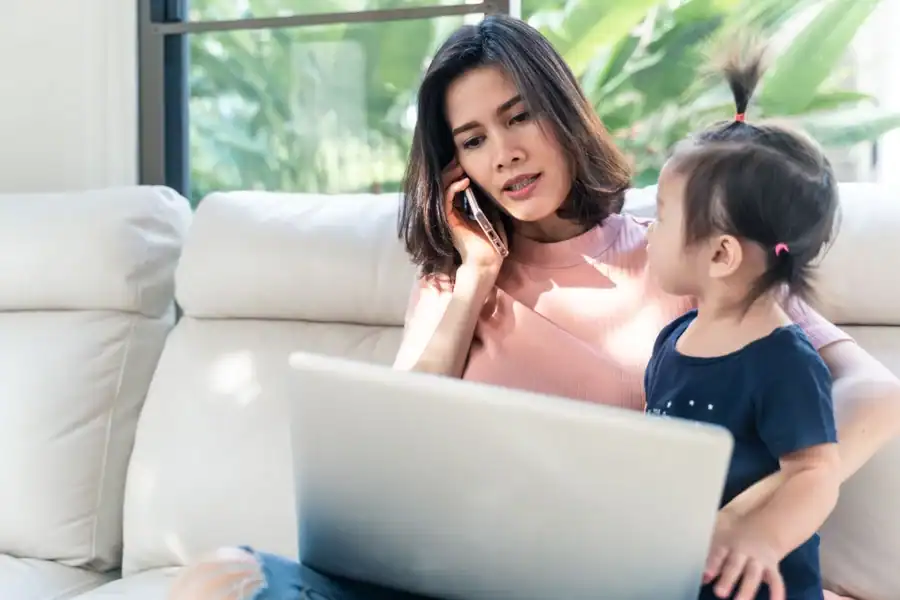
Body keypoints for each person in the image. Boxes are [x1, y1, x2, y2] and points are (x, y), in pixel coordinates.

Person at [167, 14, 900, 600]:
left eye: (519, 118)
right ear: (458, 167)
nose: (505, 154)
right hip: (453, 575)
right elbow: (389, 458)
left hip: (619, 583)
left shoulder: (688, 254)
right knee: (218, 579)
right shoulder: (453, 285)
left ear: (562, 113)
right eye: (475, 140)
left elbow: (875, 394)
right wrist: (475, 281)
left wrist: (757, 517)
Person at [644, 45, 841, 600]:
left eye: (660, 216)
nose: (646, 229)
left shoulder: (785, 361)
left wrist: (762, 538)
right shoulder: (672, 341)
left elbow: (814, 473)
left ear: (722, 255)